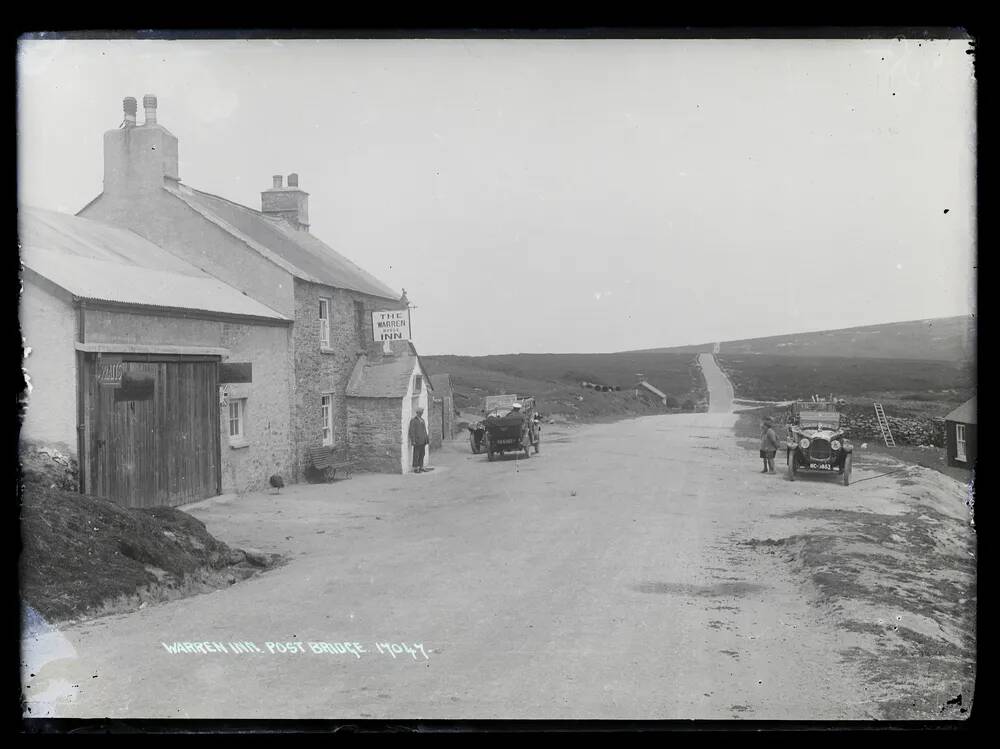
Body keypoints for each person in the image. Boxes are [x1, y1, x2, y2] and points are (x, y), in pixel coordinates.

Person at [409, 406, 429, 473]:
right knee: (416, 454)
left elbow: (424, 430)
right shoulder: (413, 421)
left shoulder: (422, 420)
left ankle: (421, 466)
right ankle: (416, 468)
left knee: (422, 454)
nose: (421, 414)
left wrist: (426, 438)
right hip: (417, 440)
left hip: (423, 440)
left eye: (422, 412)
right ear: (417, 413)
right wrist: (413, 440)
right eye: (420, 412)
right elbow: (412, 431)